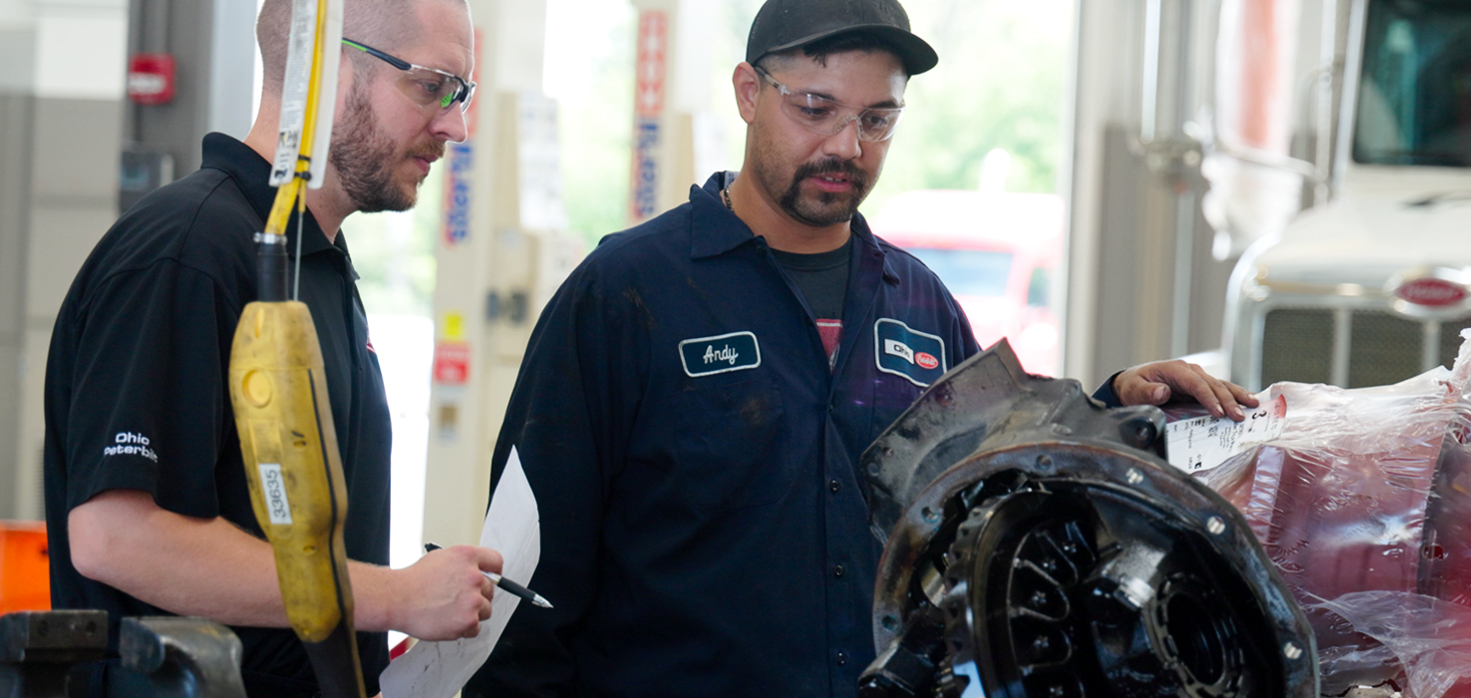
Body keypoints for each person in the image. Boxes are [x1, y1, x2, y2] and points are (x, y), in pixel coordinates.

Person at [466, 1, 1258, 696]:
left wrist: (1117, 402)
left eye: (877, 119)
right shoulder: (626, 294)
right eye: (815, 107)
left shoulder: (918, 305)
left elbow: (1000, 479)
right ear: (749, 93)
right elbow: (529, 569)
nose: (848, 145)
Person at [42, 0, 501, 694]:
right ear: (326, 69)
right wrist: (389, 596)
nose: (454, 125)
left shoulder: (311, 263)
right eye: (432, 85)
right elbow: (115, 535)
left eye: (460, 93)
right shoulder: (189, 249)